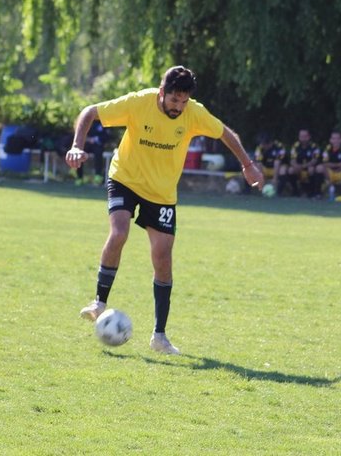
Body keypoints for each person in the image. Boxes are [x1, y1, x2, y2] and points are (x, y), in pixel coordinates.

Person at [67, 65, 264, 355]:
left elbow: (225, 134)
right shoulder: (139, 102)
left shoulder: (194, 113)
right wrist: (76, 146)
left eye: (184, 101)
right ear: (162, 92)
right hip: (125, 179)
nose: (179, 107)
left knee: (162, 257)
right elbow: (90, 112)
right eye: (174, 100)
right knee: (119, 233)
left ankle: (159, 337)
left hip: (161, 193)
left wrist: (247, 165)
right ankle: (99, 302)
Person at [284, 128, 322, 197]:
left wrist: (304, 166)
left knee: (312, 169)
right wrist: (296, 166)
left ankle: (313, 191)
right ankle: (295, 191)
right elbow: (292, 159)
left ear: (309, 137)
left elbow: (315, 160)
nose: (303, 139)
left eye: (305, 136)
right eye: (301, 136)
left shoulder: (314, 146)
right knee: (291, 170)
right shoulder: (295, 146)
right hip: (299, 168)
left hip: (309, 167)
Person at [317, 130, 341, 198]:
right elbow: (325, 163)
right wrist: (339, 164)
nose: (335, 141)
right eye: (333, 138)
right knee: (319, 167)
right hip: (329, 173)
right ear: (330, 140)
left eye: (337, 139)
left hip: (340, 173)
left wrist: (334, 165)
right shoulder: (327, 149)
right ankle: (318, 193)